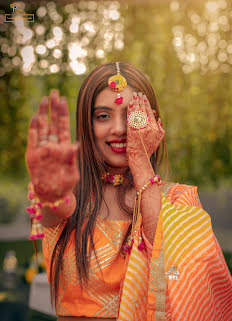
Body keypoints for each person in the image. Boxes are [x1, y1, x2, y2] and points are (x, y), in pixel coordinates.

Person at [25, 62, 232, 321]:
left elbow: (175, 275)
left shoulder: (179, 201)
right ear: (86, 126)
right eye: (103, 116)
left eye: (133, 116)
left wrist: (141, 162)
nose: (120, 129)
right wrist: (52, 195)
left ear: (155, 124)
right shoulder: (69, 197)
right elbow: (52, 209)